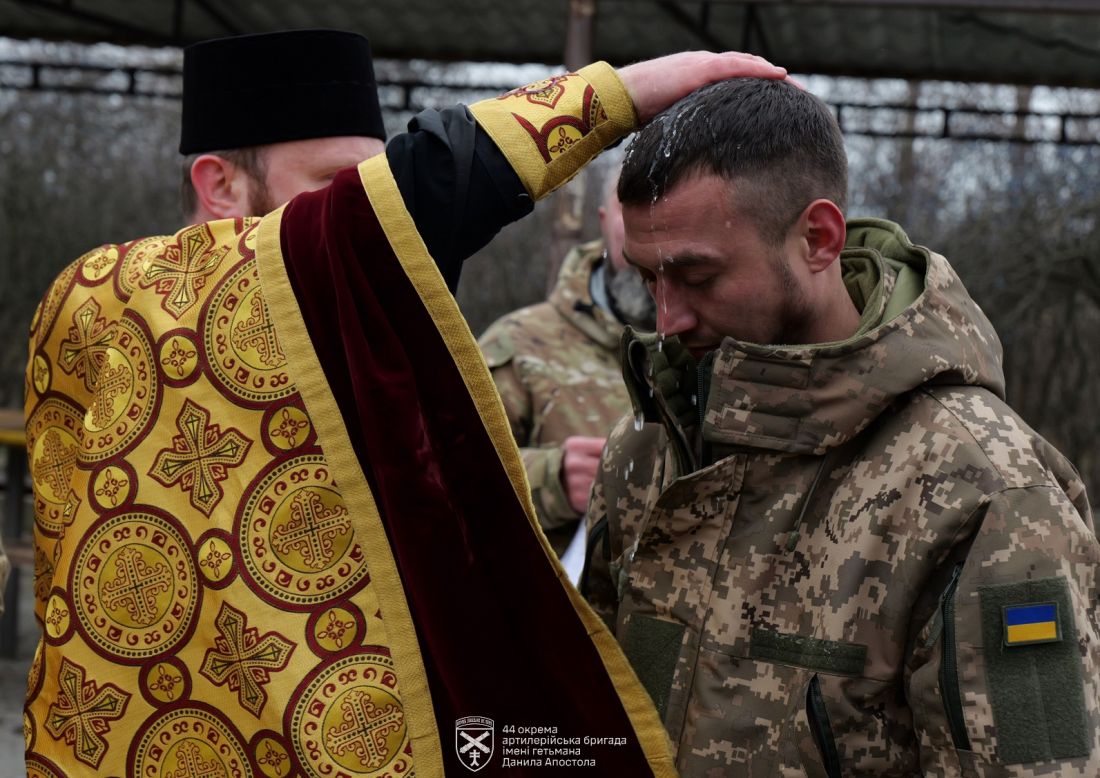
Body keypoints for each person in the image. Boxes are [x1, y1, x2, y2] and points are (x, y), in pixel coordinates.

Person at [23, 27, 788, 777]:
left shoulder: (337, 312)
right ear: (219, 185)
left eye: (368, 186)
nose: (368, 221)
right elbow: (423, 187)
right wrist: (624, 92)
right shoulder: (113, 293)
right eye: (333, 188)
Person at [583, 77, 1100, 776]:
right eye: (648, 279)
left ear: (818, 239)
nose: (666, 318)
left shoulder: (985, 492)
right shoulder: (650, 449)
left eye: (697, 277)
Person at [479, 165, 653, 571]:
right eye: (636, 215)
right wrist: (550, 479)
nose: (651, 250)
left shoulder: (742, 344)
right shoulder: (519, 345)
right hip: (563, 622)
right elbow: (437, 479)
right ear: (605, 219)